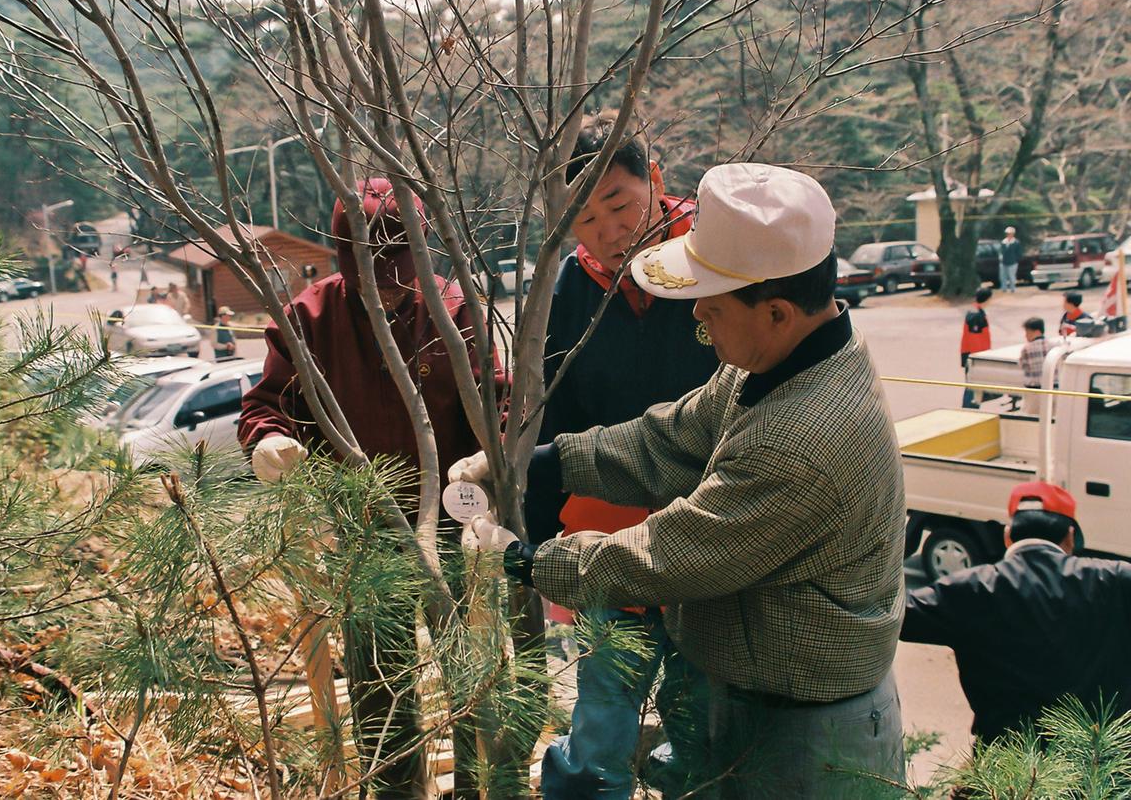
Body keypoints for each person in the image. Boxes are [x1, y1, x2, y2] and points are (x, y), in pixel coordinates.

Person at [454, 163, 907, 798]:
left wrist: (527, 561)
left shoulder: (800, 439)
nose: (696, 314)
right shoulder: (780, 359)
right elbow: (669, 437)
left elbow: (670, 557)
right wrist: (543, 462)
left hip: (801, 736)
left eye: (713, 305)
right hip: (757, 692)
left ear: (775, 311)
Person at [239, 177, 496, 799]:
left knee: (475, 681)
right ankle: (396, 792)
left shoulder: (455, 311)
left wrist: (491, 457)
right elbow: (266, 405)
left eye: (396, 270)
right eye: (369, 271)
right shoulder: (309, 318)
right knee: (380, 692)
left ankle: (478, 789)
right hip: (362, 533)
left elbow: (503, 403)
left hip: (455, 526)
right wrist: (268, 442)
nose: (384, 286)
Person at [534, 112, 721, 800]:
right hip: (614, 544)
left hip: (712, 544)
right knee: (600, 725)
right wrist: (536, 532)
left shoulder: (712, 261)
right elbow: (555, 421)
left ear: (658, 179)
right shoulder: (572, 288)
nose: (608, 231)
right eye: (583, 220)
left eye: (618, 203)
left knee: (704, 733)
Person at [902, 482, 1131, 745]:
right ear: (1069, 536)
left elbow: (893, 616)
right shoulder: (1117, 580)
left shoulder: (971, 590)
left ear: (1008, 535)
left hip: (1009, 766)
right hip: (1100, 766)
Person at [960, 287, 992, 408]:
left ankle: (972, 407)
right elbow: (975, 339)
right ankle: (969, 408)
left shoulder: (976, 312)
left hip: (973, 353)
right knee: (972, 384)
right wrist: (980, 357)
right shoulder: (976, 315)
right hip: (974, 355)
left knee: (974, 384)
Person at [1017, 317, 1048, 414]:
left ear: (1037, 331)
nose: (1026, 336)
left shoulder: (1027, 348)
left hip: (1034, 391)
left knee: (1032, 418)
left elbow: (1023, 366)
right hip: (1053, 389)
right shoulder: (1054, 345)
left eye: (1027, 332)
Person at [998, 226, 1022, 293]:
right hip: (1003, 262)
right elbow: (1000, 251)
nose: (1008, 234)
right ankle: (1004, 289)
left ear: (1013, 234)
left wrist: (1016, 260)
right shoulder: (1003, 242)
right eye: (1007, 233)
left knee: (1012, 276)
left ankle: (1012, 289)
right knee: (1003, 276)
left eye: (1010, 233)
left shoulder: (1016, 242)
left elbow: (1019, 253)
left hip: (1013, 262)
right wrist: (1000, 257)